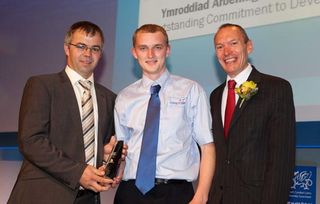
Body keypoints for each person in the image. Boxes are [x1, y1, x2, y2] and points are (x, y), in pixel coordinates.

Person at [8, 21, 119, 204]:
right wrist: (78, 173)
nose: (87, 54)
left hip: (89, 198)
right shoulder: (42, 85)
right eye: (81, 46)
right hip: (43, 196)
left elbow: (99, 148)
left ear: (101, 54)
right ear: (67, 48)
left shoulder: (109, 98)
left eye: (95, 48)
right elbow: (31, 141)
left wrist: (107, 156)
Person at [113, 24, 215, 204]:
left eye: (157, 47)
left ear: (167, 50)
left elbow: (207, 147)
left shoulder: (191, 90)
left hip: (175, 193)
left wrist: (202, 195)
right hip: (131, 193)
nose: (150, 55)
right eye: (143, 48)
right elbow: (122, 149)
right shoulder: (124, 97)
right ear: (134, 52)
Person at [208, 23, 296, 204]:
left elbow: (281, 158)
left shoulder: (276, 88)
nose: (226, 52)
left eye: (233, 43)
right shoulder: (215, 96)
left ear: (249, 46)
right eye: (219, 46)